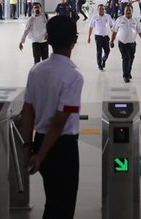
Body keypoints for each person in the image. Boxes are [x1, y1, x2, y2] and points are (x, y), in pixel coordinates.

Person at [21, 15, 84, 219]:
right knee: (63, 205)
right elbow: (60, 122)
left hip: (39, 141)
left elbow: (27, 110)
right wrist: (41, 155)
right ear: (74, 40)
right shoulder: (74, 76)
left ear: (47, 39)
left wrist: (28, 147)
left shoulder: (36, 71)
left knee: (53, 198)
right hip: (62, 147)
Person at [110, 5, 141, 83]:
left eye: (129, 10)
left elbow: (140, 31)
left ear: (132, 11)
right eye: (126, 10)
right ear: (124, 11)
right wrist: (112, 41)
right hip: (122, 43)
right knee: (126, 58)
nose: (128, 11)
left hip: (132, 43)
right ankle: (125, 76)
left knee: (131, 58)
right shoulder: (119, 19)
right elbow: (114, 31)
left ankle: (128, 71)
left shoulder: (135, 20)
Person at [88, 4, 114, 70]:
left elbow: (111, 26)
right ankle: (99, 64)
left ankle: (104, 59)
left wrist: (114, 35)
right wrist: (89, 37)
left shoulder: (108, 17)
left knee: (107, 51)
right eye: (100, 9)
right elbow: (90, 27)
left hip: (106, 37)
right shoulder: (94, 18)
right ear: (97, 10)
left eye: (102, 9)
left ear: (104, 9)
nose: (101, 10)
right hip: (98, 37)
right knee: (99, 51)